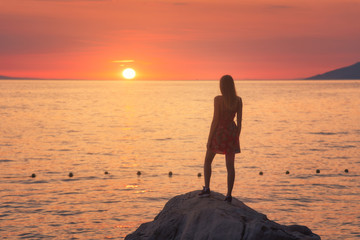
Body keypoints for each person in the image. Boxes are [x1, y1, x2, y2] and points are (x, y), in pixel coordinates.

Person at [199, 75, 243, 203]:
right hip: (231, 133)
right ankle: (229, 195)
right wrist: (236, 137)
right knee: (230, 166)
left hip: (219, 132)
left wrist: (209, 139)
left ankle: (207, 189)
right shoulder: (238, 100)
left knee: (207, 161)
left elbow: (215, 120)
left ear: (222, 86)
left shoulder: (218, 100)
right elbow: (239, 122)